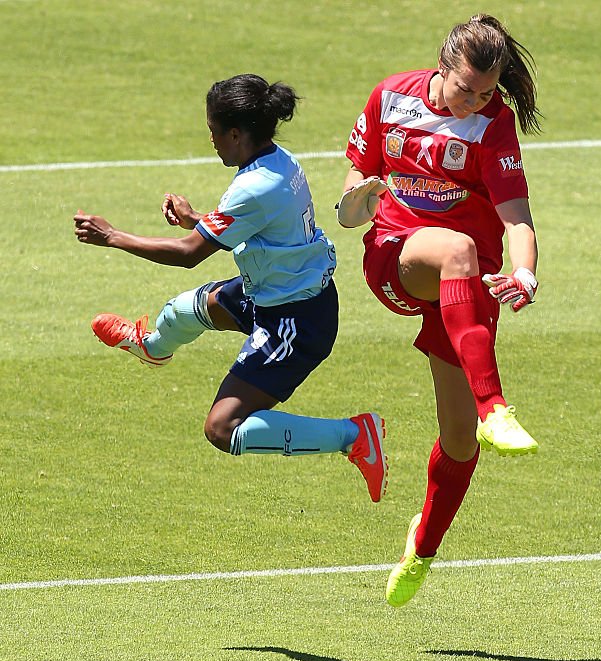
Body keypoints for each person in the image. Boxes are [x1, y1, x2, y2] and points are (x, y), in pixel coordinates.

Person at [73, 74, 387, 502]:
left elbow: (188, 254)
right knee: (191, 309)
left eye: (213, 131)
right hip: (275, 291)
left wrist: (112, 236)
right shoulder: (279, 161)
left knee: (222, 428)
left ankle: (354, 436)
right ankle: (153, 345)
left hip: (295, 321)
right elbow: (259, 229)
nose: (211, 140)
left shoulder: (255, 185)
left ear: (236, 134)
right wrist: (199, 221)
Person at [337, 14, 541, 606]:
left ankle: (421, 549)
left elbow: (517, 220)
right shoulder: (390, 97)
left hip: (467, 290)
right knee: (456, 247)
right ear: (441, 66)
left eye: (486, 91)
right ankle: (495, 404)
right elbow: (358, 179)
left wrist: (525, 272)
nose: (476, 101)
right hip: (399, 258)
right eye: (466, 89)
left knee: (457, 442)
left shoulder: (495, 124)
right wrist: (356, 199)